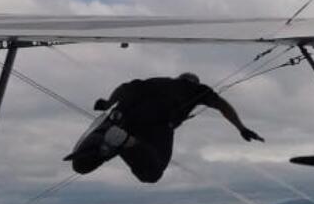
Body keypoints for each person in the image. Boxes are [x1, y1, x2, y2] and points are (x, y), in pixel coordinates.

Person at [68, 73, 264, 183]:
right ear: (193, 81)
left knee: (81, 166)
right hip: (155, 128)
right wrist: (241, 128)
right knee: (151, 173)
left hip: (120, 118)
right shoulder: (196, 89)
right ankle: (127, 143)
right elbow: (222, 106)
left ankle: (108, 141)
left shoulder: (154, 81)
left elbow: (125, 88)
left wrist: (108, 103)